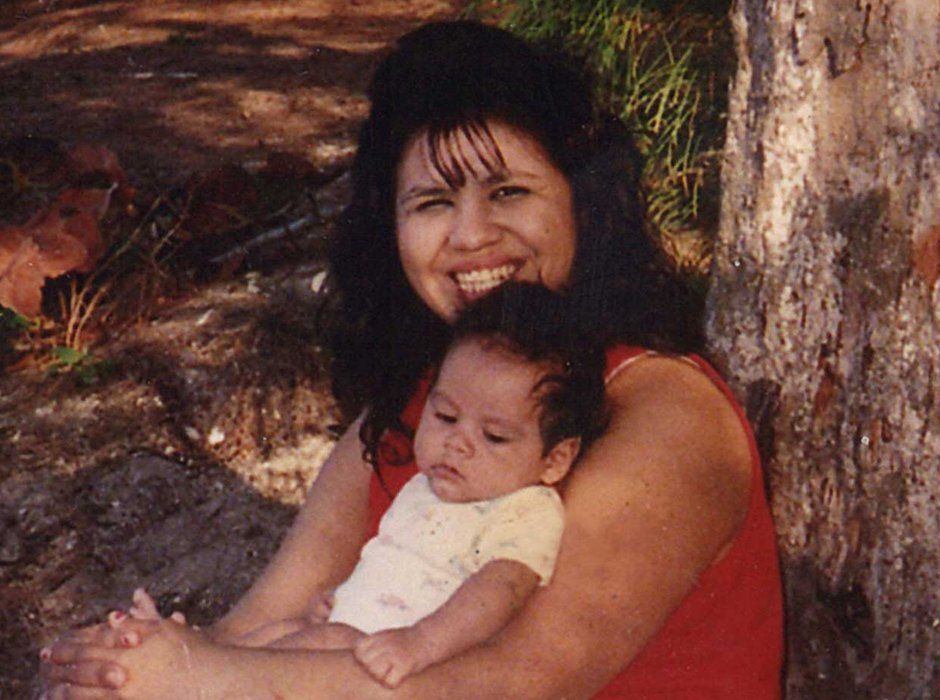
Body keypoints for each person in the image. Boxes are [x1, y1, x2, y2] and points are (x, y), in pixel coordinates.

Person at [40, 20, 783, 699]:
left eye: (509, 191)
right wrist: (130, 663)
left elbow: (524, 678)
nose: (470, 236)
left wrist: (201, 676)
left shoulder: (662, 410)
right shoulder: (416, 408)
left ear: (583, 204)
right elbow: (252, 630)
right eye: (432, 203)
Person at [219, 285, 607, 689]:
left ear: (555, 459)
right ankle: (193, 662)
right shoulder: (427, 486)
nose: (458, 443)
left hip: (397, 664)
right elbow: (393, 565)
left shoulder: (525, 509)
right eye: (445, 416)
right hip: (352, 633)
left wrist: (420, 643)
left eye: (493, 436)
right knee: (272, 636)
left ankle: (199, 679)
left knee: (283, 659)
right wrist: (340, 598)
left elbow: (501, 591)